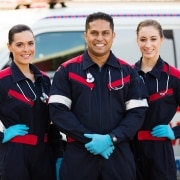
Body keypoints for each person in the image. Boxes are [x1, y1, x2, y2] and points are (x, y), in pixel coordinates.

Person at [48, 12, 148, 180]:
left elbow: (137, 114)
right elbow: (58, 112)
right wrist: (88, 139)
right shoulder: (67, 70)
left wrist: (111, 139)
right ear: (85, 35)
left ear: (113, 35)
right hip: (79, 156)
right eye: (94, 33)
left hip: (117, 156)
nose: (99, 38)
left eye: (105, 33)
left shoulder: (128, 72)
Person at [0, 24, 64, 180]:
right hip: (16, 156)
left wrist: (58, 155)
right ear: (9, 47)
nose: (26, 49)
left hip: (44, 155)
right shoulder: (2, 80)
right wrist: (2, 136)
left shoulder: (44, 80)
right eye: (19, 45)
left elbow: (52, 122)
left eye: (30, 43)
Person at [132, 19, 180, 180]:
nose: (148, 44)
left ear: (161, 40)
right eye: (143, 39)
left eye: (153, 39)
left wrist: (174, 132)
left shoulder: (174, 77)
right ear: (137, 40)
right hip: (130, 150)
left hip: (160, 153)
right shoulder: (127, 75)